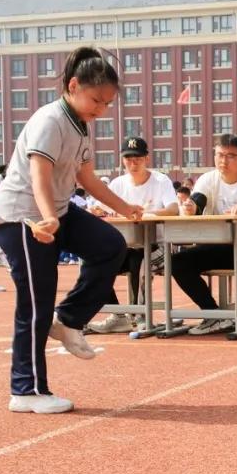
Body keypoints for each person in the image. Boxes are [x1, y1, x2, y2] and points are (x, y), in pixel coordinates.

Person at [0, 45, 143, 414]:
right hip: (23, 218)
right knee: (35, 303)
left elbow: (86, 177)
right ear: (73, 86)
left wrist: (125, 208)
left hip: (56, 213)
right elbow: (38, 175)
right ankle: (26, 390)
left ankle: (70, 318)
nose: (100, 110)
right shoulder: (50, 121)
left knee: (110, 244)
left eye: (107, 104)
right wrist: (48, 218)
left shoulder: (80, 126)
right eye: (96, 100)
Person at [170, 133, 237, 335]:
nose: (223, 161)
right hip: (215, 246)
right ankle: (213, 315)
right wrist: (191, 207)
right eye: (219, 155)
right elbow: (198, 201)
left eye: (230, 156)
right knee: (178, 262)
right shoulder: (208, 179)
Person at [88, 137, 179, 334]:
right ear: (122, 160)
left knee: (141, 260)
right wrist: (96, 209)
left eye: (137, 158)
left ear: (147, 158)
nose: (133, 163)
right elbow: (100, 207)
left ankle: (140, 317)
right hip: (124, 245)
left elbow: (173, 210)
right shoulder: (118, 183)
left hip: (158, 246)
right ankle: (118, 316)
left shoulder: (161, 181)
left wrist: (145, 214)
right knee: (93, 263)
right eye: (128, 158)